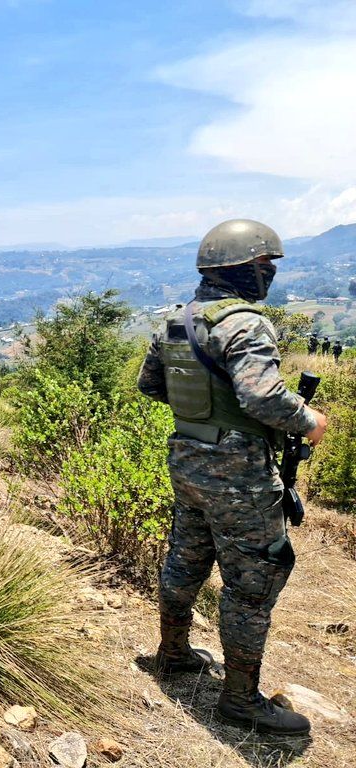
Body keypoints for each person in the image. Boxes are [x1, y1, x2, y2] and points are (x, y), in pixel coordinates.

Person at [137, 219, 328, 735]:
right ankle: (240, 700)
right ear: (241, 268)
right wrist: (310, 422)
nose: (269, 273)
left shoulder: (176, 321)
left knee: (186, 558)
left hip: (187, 461)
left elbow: (150, 385)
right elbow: (262, 397)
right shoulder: (243, 324)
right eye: (265, 264)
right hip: (239, 477)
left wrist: (204, 415)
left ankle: (172, 654)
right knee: (253, 582)